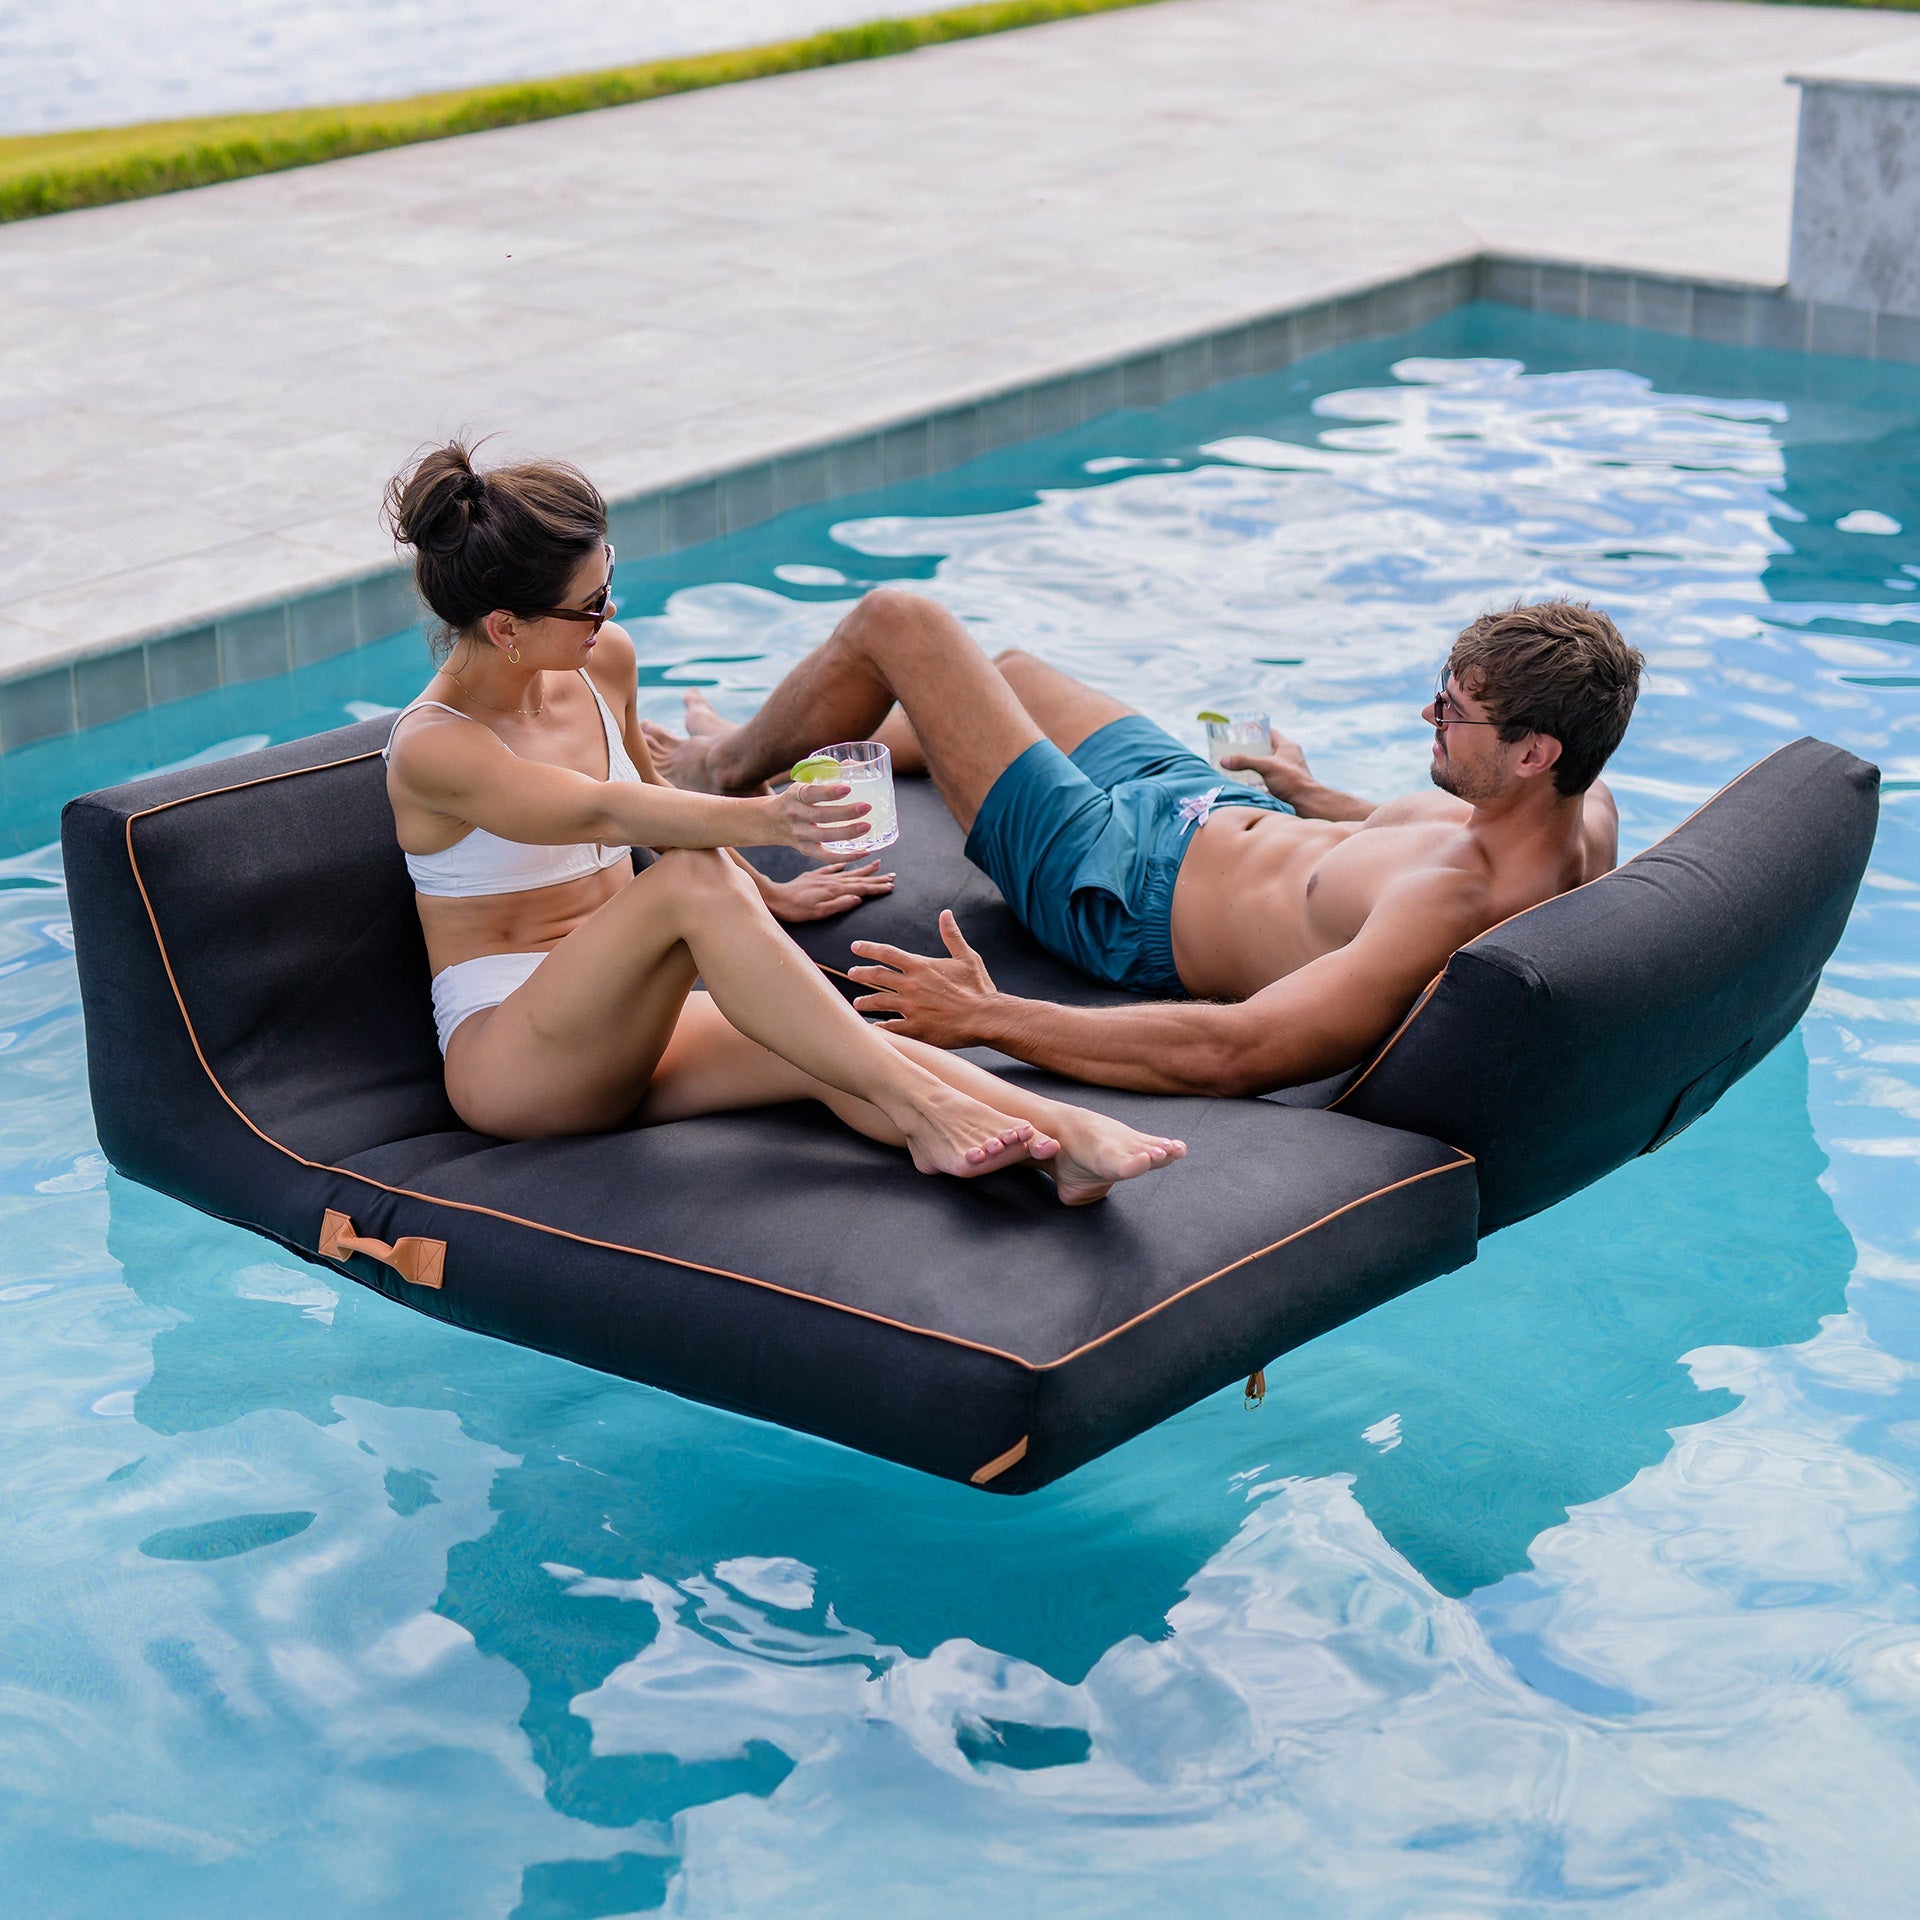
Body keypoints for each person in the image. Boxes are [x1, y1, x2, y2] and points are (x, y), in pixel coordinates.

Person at [378, 443, 1185, 1202]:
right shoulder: (436, 748)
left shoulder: (604, 661)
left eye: (608, 578)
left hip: (625, 1018)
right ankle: (926, 1110)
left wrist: (763, 892)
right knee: (698, 880)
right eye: (587, 605)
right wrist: (767, 819)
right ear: (505, 627)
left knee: (824, 1047)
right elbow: (603, 807)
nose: (609, 611)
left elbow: (653, 789)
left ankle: (1069, 1142)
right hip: (516, 1062)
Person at [641, 589, 1643, 1097]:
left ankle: (716, 774)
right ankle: (769, 747)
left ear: (1532, 752)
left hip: (1114, 886)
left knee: (901, 624)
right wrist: (1306, 791)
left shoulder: (1453, 909)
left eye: (1452, 714)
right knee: (1016, 671)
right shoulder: (1580, 811)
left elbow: (1233, 1047)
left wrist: (993, 1018)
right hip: (1199, 807)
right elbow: (1403, 835)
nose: (1430, 716)